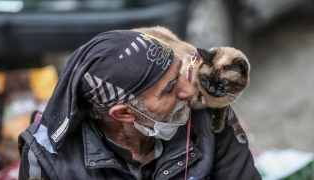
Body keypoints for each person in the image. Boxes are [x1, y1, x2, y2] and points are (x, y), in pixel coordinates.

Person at [18, 30, 261, 180]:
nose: (189, 90)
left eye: (178, 74)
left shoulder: (208, 114)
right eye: (168, 89)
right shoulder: (47, 161)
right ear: (124, 113)